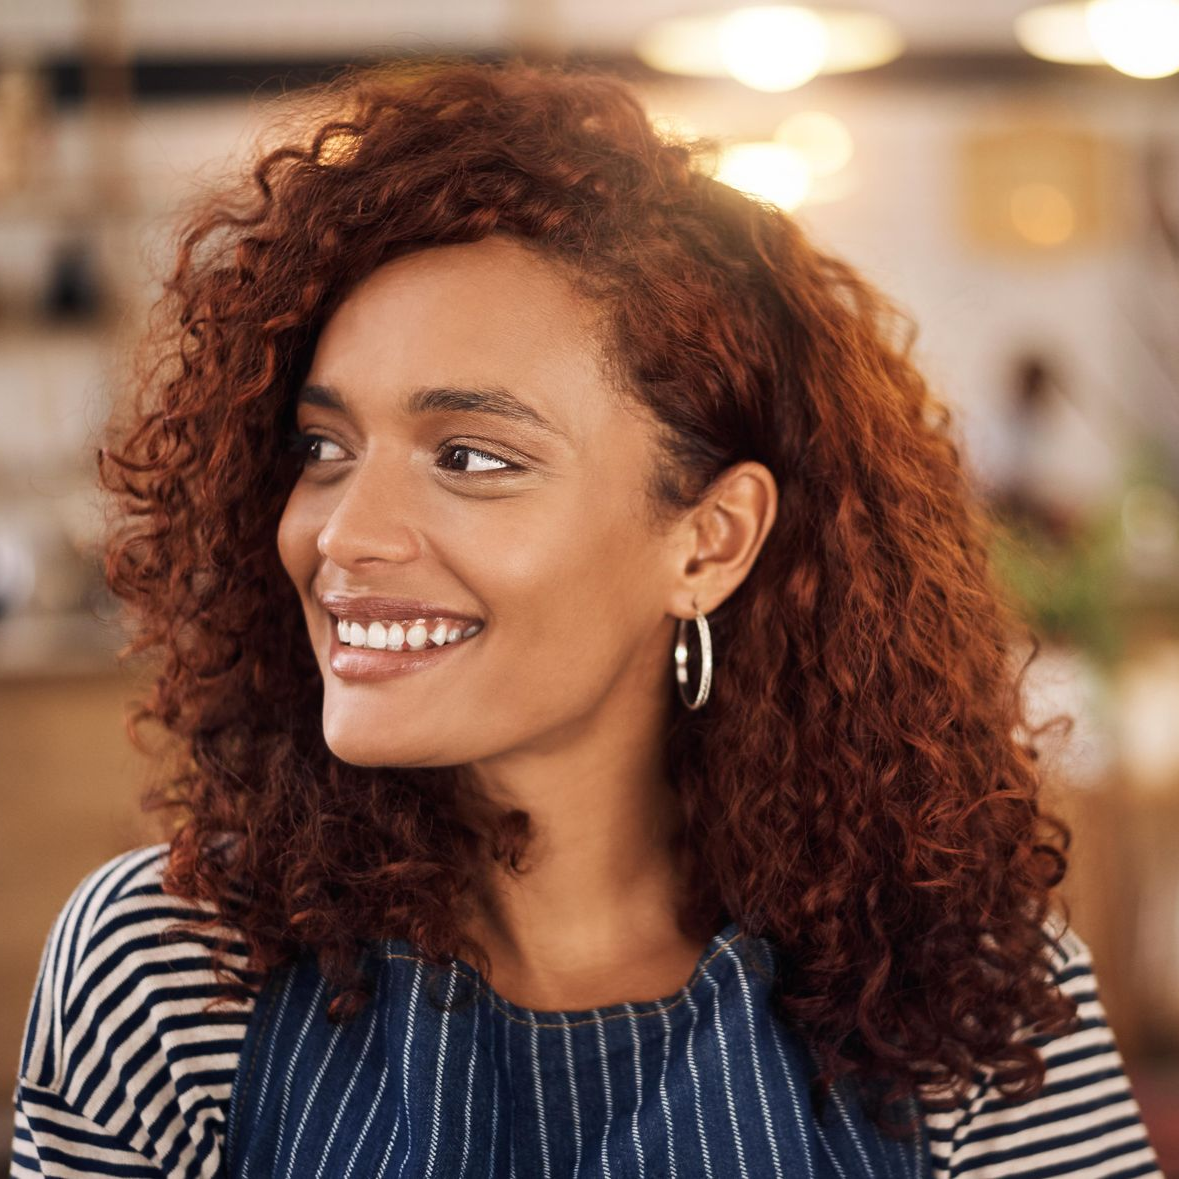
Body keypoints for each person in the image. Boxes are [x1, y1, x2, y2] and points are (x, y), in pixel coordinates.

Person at [8, 56, 1164, 1179]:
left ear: (709, 542)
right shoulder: (170, 974)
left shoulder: (958, 988)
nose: (343, 534)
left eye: (471, 456)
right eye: (324, 447)